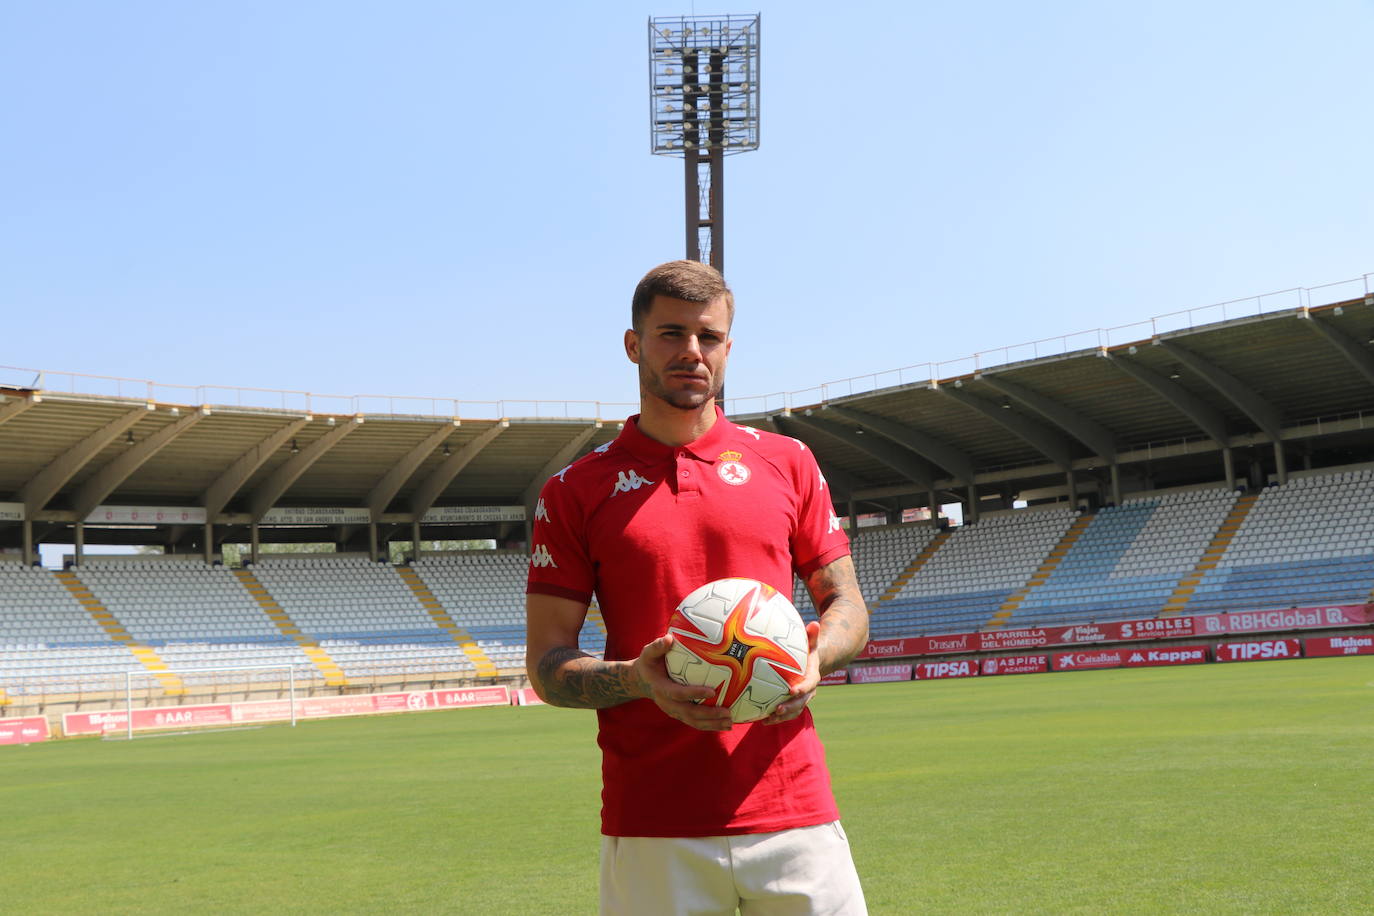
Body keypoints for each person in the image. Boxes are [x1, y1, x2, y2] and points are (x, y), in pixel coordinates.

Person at [525, 260, 870, 915]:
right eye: (670, 333)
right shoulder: (574, 491)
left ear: (728, 350)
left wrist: (815, 657)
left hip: (793, 808)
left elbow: (846, 604)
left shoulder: (787, 462)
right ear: (633, 344)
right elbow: (547, 666)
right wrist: (637, 679)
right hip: (653, 820)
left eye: (708, 338)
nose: (691, 352)